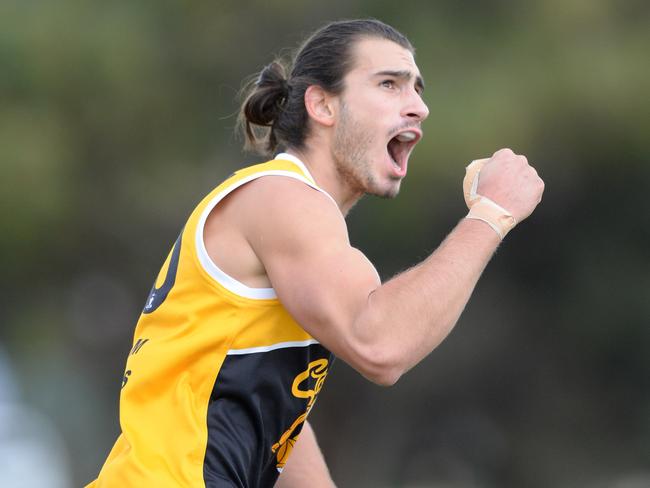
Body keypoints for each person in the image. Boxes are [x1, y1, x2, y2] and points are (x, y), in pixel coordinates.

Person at [87, 18, 544, 488]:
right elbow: (381, 345)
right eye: (389, 84)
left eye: (418, 90)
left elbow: (274, 413)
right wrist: (490, 215)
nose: (419, 108)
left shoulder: (302, 227)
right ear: (322, 104)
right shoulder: (283, 199)